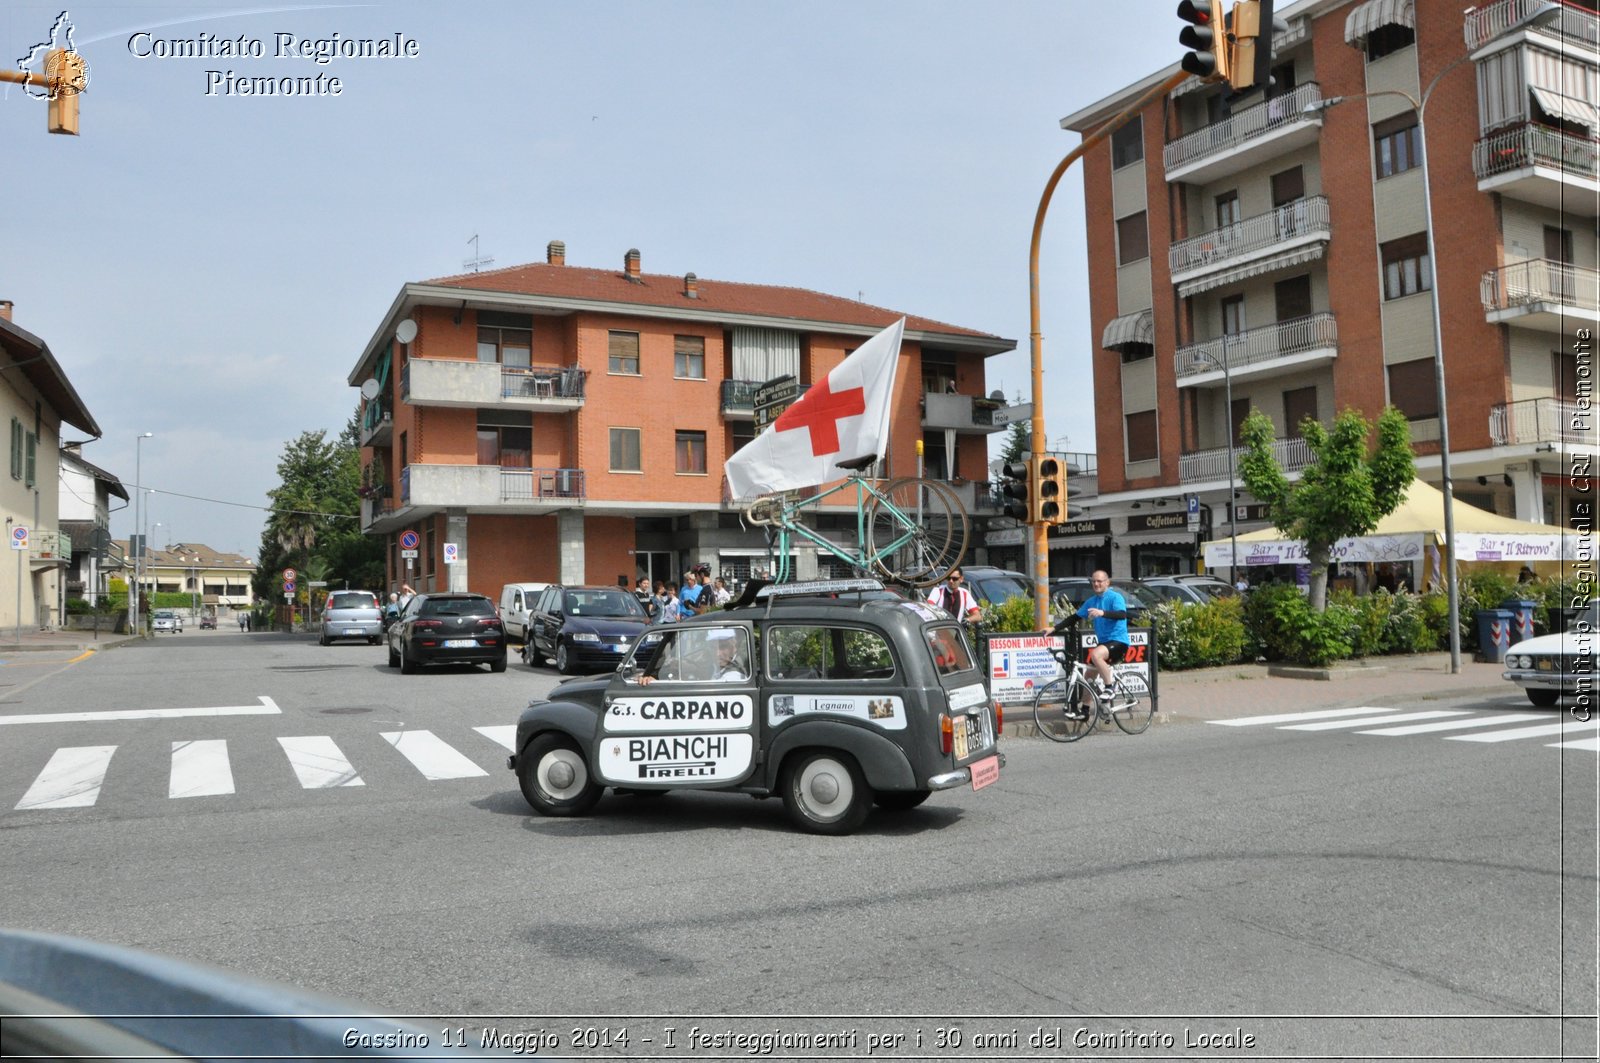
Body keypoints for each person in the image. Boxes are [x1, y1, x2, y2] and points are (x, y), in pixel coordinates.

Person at [1074, 569, 1129, 701]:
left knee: (1095, 654)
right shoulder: (1092, 601)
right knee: (1089, 677)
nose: (1096, 584)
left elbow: (1122, 614)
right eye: (1093, 581)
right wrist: (1053, 628)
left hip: (1118, 642)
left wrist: (1102, 613)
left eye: (1099, 581)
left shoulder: (1115, 597)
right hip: (1104, 643)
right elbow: (1075, 617)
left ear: (1107, 582)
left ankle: (1109, 688)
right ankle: (1085, 711)